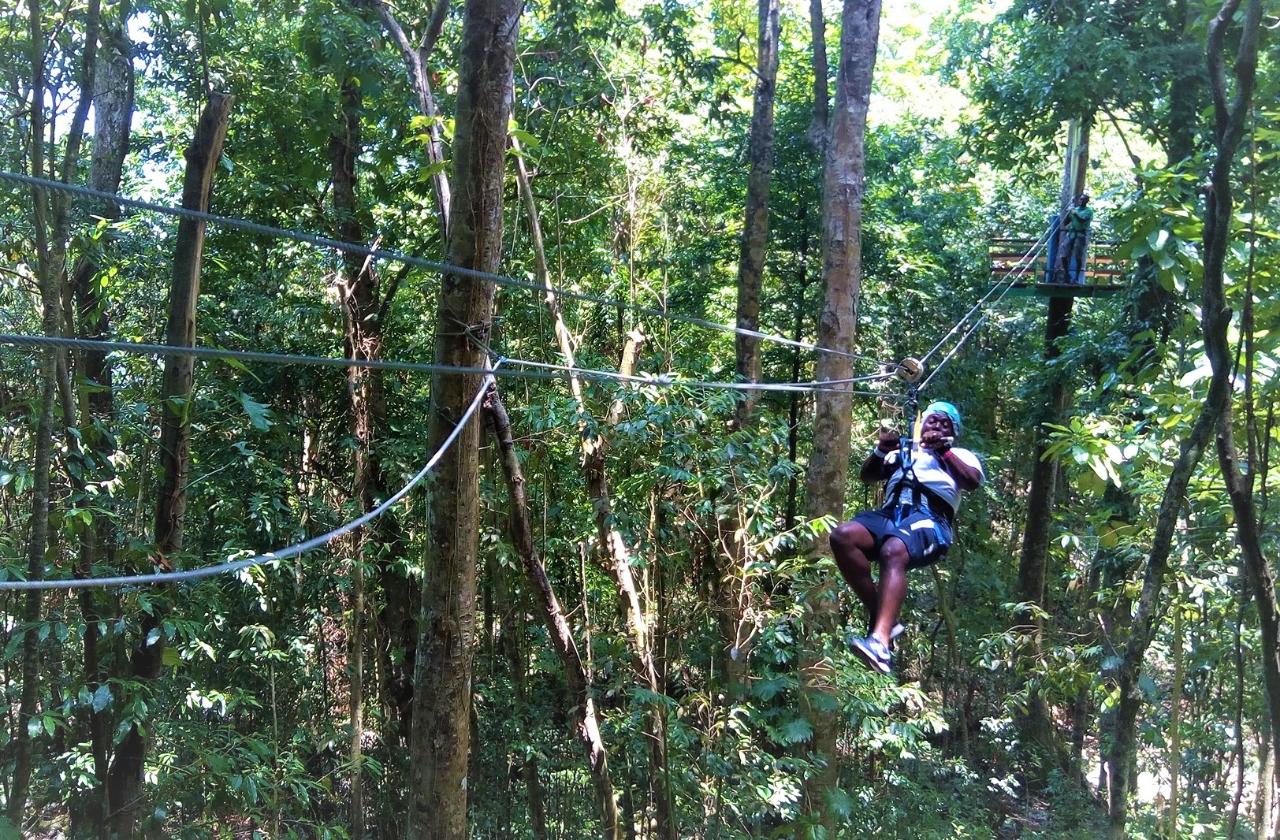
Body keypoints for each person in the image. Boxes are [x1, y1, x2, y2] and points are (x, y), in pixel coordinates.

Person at [830, 401, 984, 674]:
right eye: (932, 420)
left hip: (931, 519)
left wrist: (943, 450)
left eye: (944, 423)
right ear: (922, 424)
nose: (936, 426)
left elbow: (970, 481)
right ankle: (883, 617)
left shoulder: (959, 455)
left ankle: (880, 641)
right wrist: (881, 450)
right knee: (843, 537)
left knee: (894, 550)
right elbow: (867, 476)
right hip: (891, 515)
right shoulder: (904, 451)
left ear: (953, 432)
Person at [1054, 193, 1093, 284]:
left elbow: (1082, 220)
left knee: (1078, 256)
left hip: (1080, 235)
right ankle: (1067, 275)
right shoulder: (1075, 210)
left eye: (1083, 200)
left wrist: (1074, 213)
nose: (1081, 201)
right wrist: (1068, 213)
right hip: (1071, 233)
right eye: (1080, 199)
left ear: (1086, 202)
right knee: (1064, 254)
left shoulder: (1088, 211)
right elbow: (1065, 223)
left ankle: (1076, 278)